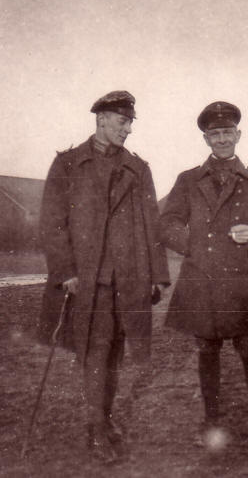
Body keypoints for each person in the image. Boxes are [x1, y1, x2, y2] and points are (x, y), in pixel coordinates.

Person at [38, 90, 170, 461]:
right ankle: (96, 430)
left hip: (128, 278)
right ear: (101, 119)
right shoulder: (68, 163)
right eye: (122, 121)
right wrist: (65, 271)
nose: (128, 129)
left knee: (113, 352)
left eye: (130, 122)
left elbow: (151, 223)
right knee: (95, 352)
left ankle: (104, 419)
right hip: (88, 278)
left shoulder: (138, 169)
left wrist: (157, 275)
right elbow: (52, 223)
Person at [159, 101, 248, 452]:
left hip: (240, 282)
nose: (222, 139)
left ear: (238, 135)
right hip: (201, 278)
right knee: (207, 350)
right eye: (215, 134)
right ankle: (212, 421)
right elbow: (167, 223)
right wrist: (193, 246)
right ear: (206, 139)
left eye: (228, 132)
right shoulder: (188, 180)